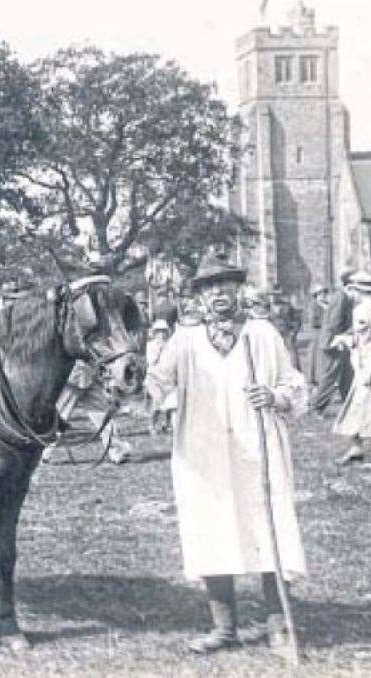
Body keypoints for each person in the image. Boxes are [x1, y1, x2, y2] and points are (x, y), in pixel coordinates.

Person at [144, 250, 307, 655]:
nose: (219, 293)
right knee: (211, 529)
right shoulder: (185, 340)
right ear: (199, 297)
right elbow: (156, 383)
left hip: (258, 445)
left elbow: (294, 384)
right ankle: (224, 627)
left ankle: (278, 624)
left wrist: (274, 395)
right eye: (210, 287)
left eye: (226, 285)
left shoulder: (262, 335)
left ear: (239, 289)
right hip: (204, 451)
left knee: (268, 530)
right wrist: (151, 386)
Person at [330, 273, 371, 465]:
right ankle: (356, 447)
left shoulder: (362, 310)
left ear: (357, 290)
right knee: (361, 407)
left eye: (351, 290)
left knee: (364, 405)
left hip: (369, 365)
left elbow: (370, 341)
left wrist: (368, 371)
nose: (349, 294)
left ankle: (356, 447)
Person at [309, 269, 356, 414]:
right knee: (330, 375)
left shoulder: (341, 296)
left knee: (346, 374)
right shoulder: (341, 297)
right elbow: (334, 322)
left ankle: (349, 404)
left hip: (336, 340)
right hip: (333, 342)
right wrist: (340, 338)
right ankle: (317, 406)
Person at [145, 319, 175, 434]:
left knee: (170, 403)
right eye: (158, 331)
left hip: (168, 378)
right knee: (157, 401)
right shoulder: (150, 346)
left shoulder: (171, 345)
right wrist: (159, 348)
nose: (161, 334)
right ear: (154, 333)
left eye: (163, 331)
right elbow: (151, 361)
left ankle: (167, 424)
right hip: (154, 378)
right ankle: (152, 426)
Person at [269, 288, 302, 370]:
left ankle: (295, 372)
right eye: (272, 295)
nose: (274, 297)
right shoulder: (267, 308)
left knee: (292, 356)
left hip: (287, 334)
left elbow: (297, 320)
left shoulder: (288, 306)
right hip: (272, 335)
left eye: (276, 294)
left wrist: (293, 332)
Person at [305, 284, 330, 386]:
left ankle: (321, 376)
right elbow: (313, 322)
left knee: (323, 356)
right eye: (320, 294)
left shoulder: (326, 305)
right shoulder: (314, 306)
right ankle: (314, 378)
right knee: (315, 355)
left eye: (324, 293)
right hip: (317, 333)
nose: (323, 296)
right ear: (316, 296)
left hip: (324, 333)